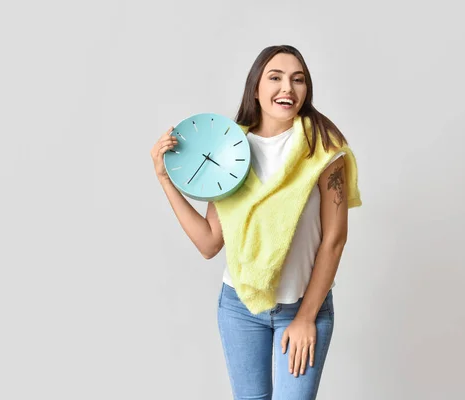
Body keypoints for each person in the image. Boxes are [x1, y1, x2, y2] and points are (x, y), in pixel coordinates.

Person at [150, 45, 360, 399]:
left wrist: (306, 317)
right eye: (275, 78)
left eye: (298, 80)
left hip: (304, 304)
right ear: (256, 87)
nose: (287, 89)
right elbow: (209, 243)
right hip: (240, 308)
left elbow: (334, 239)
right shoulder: (229, 149)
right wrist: (166, 180)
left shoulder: (323, 149)